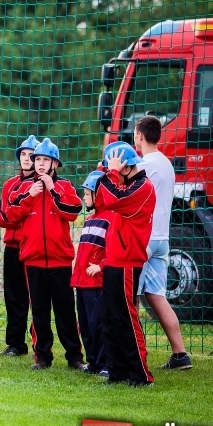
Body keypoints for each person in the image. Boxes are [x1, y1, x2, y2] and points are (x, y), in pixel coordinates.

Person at [5, 138, 87, 371]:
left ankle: (74, 356)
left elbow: (72, 211)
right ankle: (42, 356)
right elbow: (10, 215)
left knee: (65, 312)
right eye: (37, 159)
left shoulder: (65, 187)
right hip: (33, 259)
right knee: (39, 312)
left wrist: (51, 189)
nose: (40, 164)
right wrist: (30, 195)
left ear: (55, 164)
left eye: (45, 160)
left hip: (60, 259)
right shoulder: (23, 188)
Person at [134, 115, 192, 371]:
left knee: (129, 297)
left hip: (144, 239)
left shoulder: (144, 163)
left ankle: (132, 354)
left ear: (139, 135)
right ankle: (180, 354)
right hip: (162, 239)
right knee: (156, 296)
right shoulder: (167, 163)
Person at [95, 142, 156, 386]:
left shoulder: (142, 186)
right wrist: (108, 174)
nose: (109, 170)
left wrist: (111, 173)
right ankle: (117, 371)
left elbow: (113, 200)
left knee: (126, 318)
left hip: (127, 262)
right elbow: (102, 197)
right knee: (109, 318)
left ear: (124, 166)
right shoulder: (126, 183)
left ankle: (141, 375)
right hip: (114, 260)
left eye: (112, 166)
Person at [0, 135, 39, 357]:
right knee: (13, 296)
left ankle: (39, 344)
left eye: (31, 154)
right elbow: (2, 218)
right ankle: (15, 343)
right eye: (22, 154)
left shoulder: (43, 184)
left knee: (37, 297)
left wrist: (16, 213)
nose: (27, 158)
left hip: (34, 247)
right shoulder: (9, 184)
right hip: (12, 247)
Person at [71, 171, 110, 377]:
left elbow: (114, 251)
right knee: (85, 325)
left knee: (98, 325)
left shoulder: (110, 219)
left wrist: (101, 266)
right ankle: (93, 362)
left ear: (99, 194)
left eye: (87, 194)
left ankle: (105, 363)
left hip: (97, 284)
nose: (84, 197)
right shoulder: (90, 220)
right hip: (83, 282)